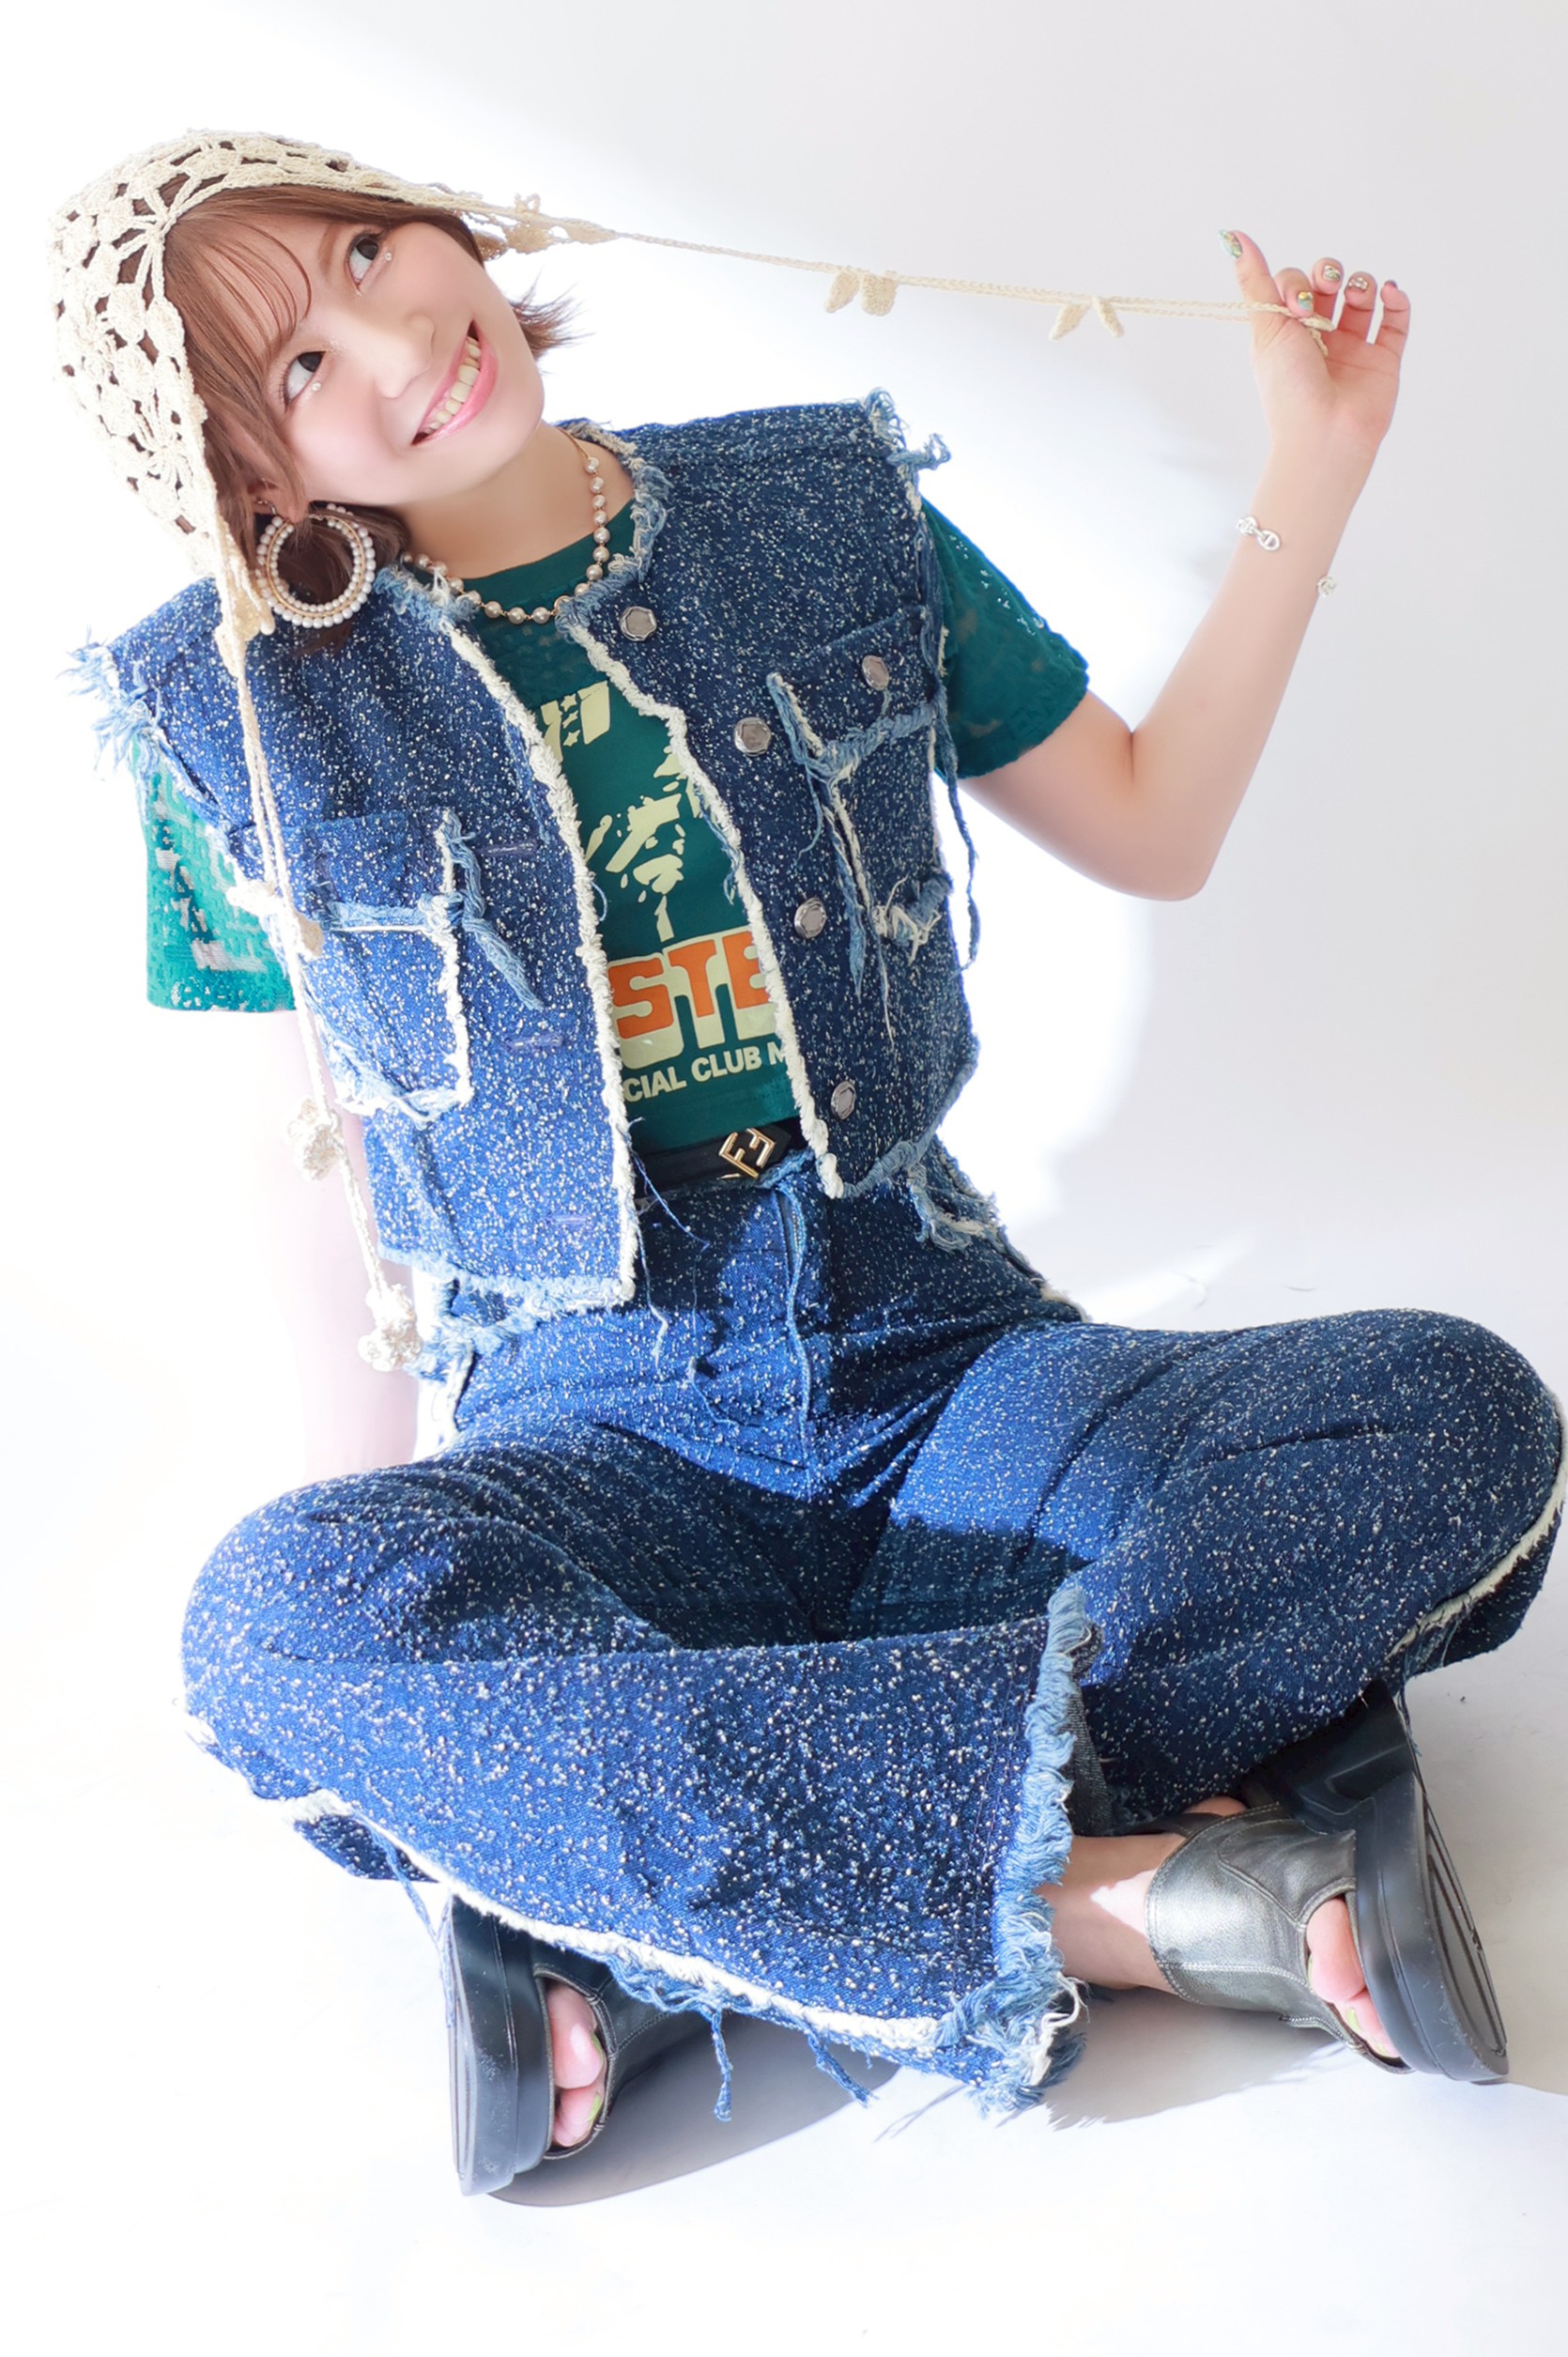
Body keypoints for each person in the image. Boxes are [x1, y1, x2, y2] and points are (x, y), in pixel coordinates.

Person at [53, 131, 1563, 2195]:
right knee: (279, 1625)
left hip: (954, 1363)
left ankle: (624, 1897)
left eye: (374, 248)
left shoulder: (825, 507)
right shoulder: (228, 714)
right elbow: (305, 1151)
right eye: (299, 366)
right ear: (252, 475)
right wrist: (392, 1546)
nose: (400, 339)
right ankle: (1133, 1896)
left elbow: (1152, 825)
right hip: (601, 1428)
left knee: (1446, 1407)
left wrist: (1319, 462)